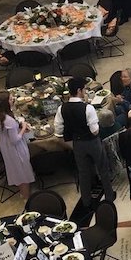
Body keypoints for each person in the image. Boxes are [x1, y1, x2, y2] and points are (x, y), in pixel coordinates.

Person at [54, 76, 116, 209]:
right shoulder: (88, 108)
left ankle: (86, 201)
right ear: (79, 91)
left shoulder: (61, 109)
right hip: (92, 142)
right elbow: (94, 131)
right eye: (84, 89)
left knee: (83, 173)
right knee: (102, 168)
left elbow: (58, 131)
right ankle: (109, 196)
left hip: (77, 143)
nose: (85, 92)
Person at [0, 91, 35, 199]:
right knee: (23, 174)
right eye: (11, 99)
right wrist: (24, 127)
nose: (13, 100)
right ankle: (26, 197)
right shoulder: (8, 121)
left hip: (7, 148)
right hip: (15, 150)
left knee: (17, 171)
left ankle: (23, 193)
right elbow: (15, 140)